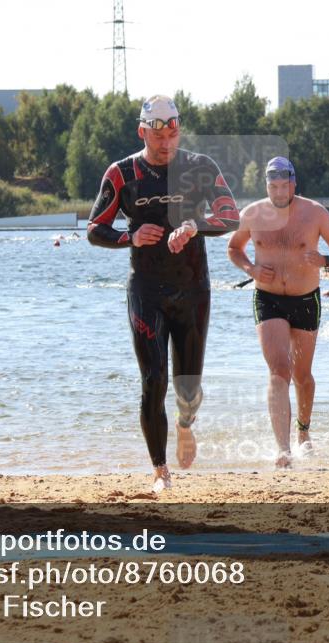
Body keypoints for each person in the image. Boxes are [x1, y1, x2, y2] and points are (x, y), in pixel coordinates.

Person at [86, 94, 240, 492]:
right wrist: (129, 236)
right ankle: (160, 471)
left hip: (192, 288)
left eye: (172, 135)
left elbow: (230, 216)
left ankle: (186, 424)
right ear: (142, 132)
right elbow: (94, 229)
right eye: (157, 137)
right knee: (153, 379)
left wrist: (194, 226)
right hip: (146, 290)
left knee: (187, 387)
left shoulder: (200, 167)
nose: (166, 145)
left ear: (179, 130)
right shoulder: (122, 174)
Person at [227, 157, 329, 467]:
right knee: (279, 370)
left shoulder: (315, 213)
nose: (279, 191)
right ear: (266, 186)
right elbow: (233, 248)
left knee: (302, 375)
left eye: (284, 185)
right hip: (268, 298)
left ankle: (303, 432)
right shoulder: (252, 214)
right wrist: (252, 268)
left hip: (305, 298)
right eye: (273, 186)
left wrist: (323, 261)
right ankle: (283, 450)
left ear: (294, 184)